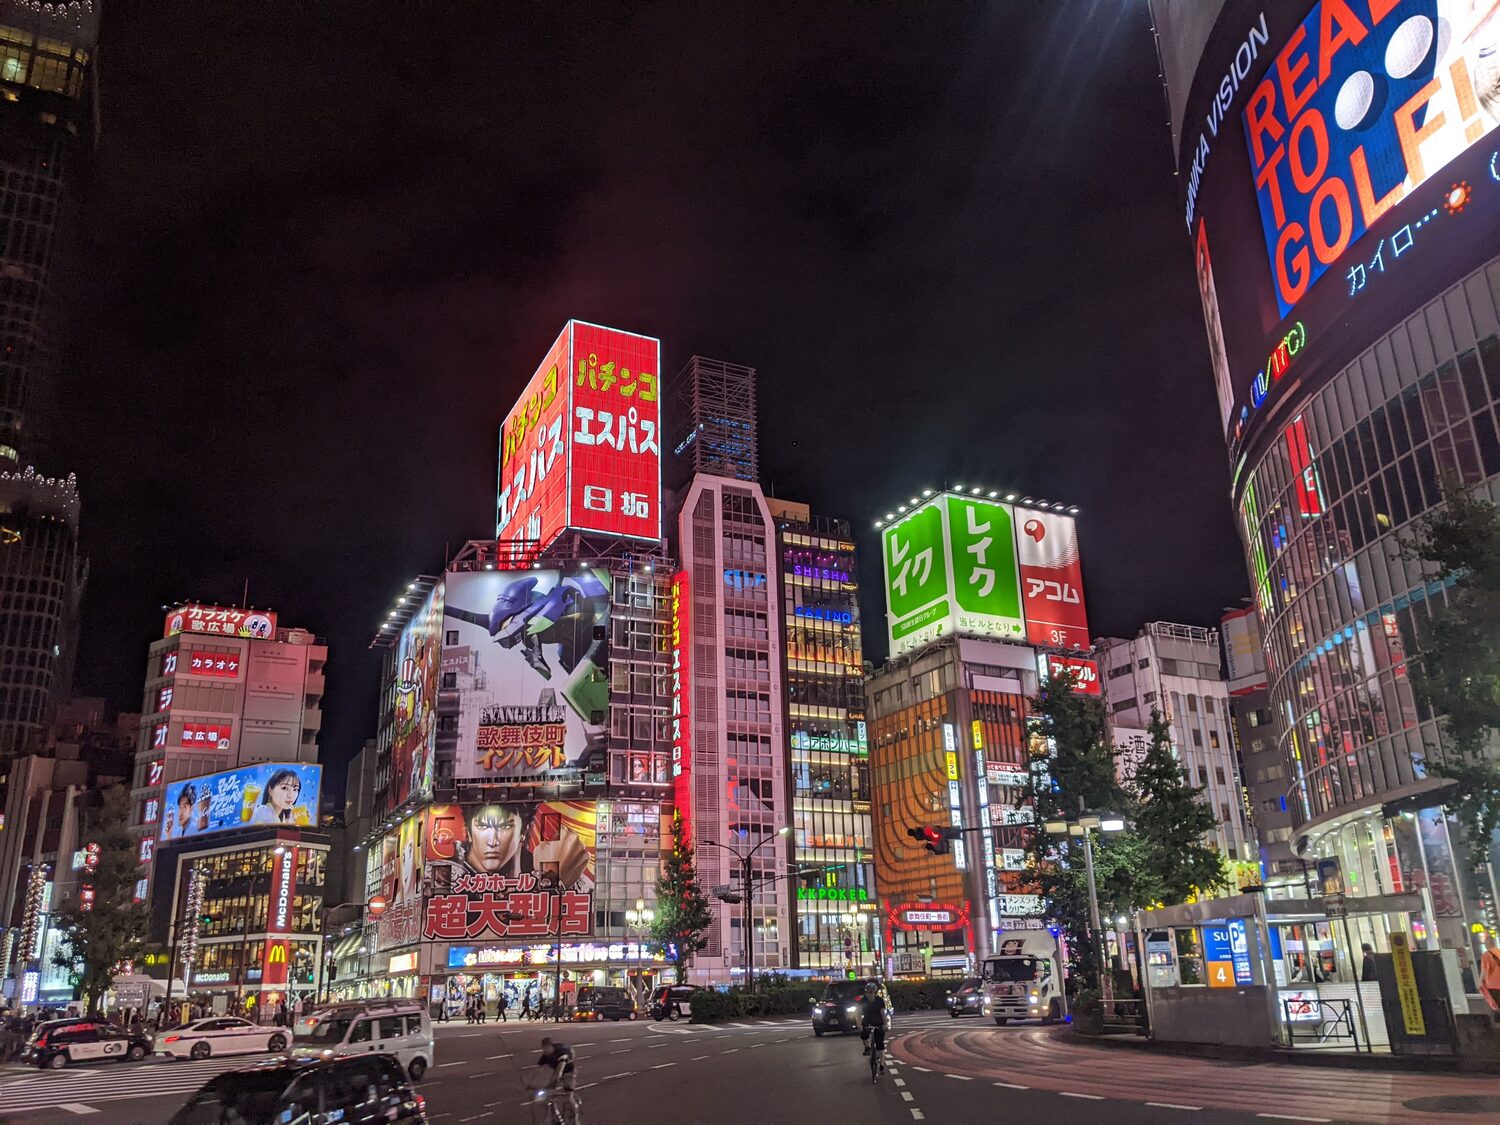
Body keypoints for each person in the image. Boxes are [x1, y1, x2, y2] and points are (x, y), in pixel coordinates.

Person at [536, 1037, 578, 1122]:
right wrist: (533, 1084)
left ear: (550, 1046)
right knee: (549, 1094)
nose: (544, 1051)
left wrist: (550, 1084)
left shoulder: (561, 1053)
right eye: (543, 1049)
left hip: (568, 1072)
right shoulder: (546, 1055)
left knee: (568, 1096)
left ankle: (575, 1117)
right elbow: (539, 1070)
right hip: (557, 1072)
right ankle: (554, 1116)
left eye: (545, 1048)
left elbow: (559, 1072)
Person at [859, 982, 887, 1064]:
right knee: (863, 1034)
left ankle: (881, 1065)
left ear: (875, 992)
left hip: (878, 1022)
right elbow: (858, 1013)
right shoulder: (862, 1001)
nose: (870, 994)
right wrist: (859, 1024)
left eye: (872, 992)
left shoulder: (879, 1001)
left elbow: (883, 1013)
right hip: (867, 1021)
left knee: (880, 1044)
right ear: (866, 992)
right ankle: (867, 1047)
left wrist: (885, 1024)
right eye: (869, 992)